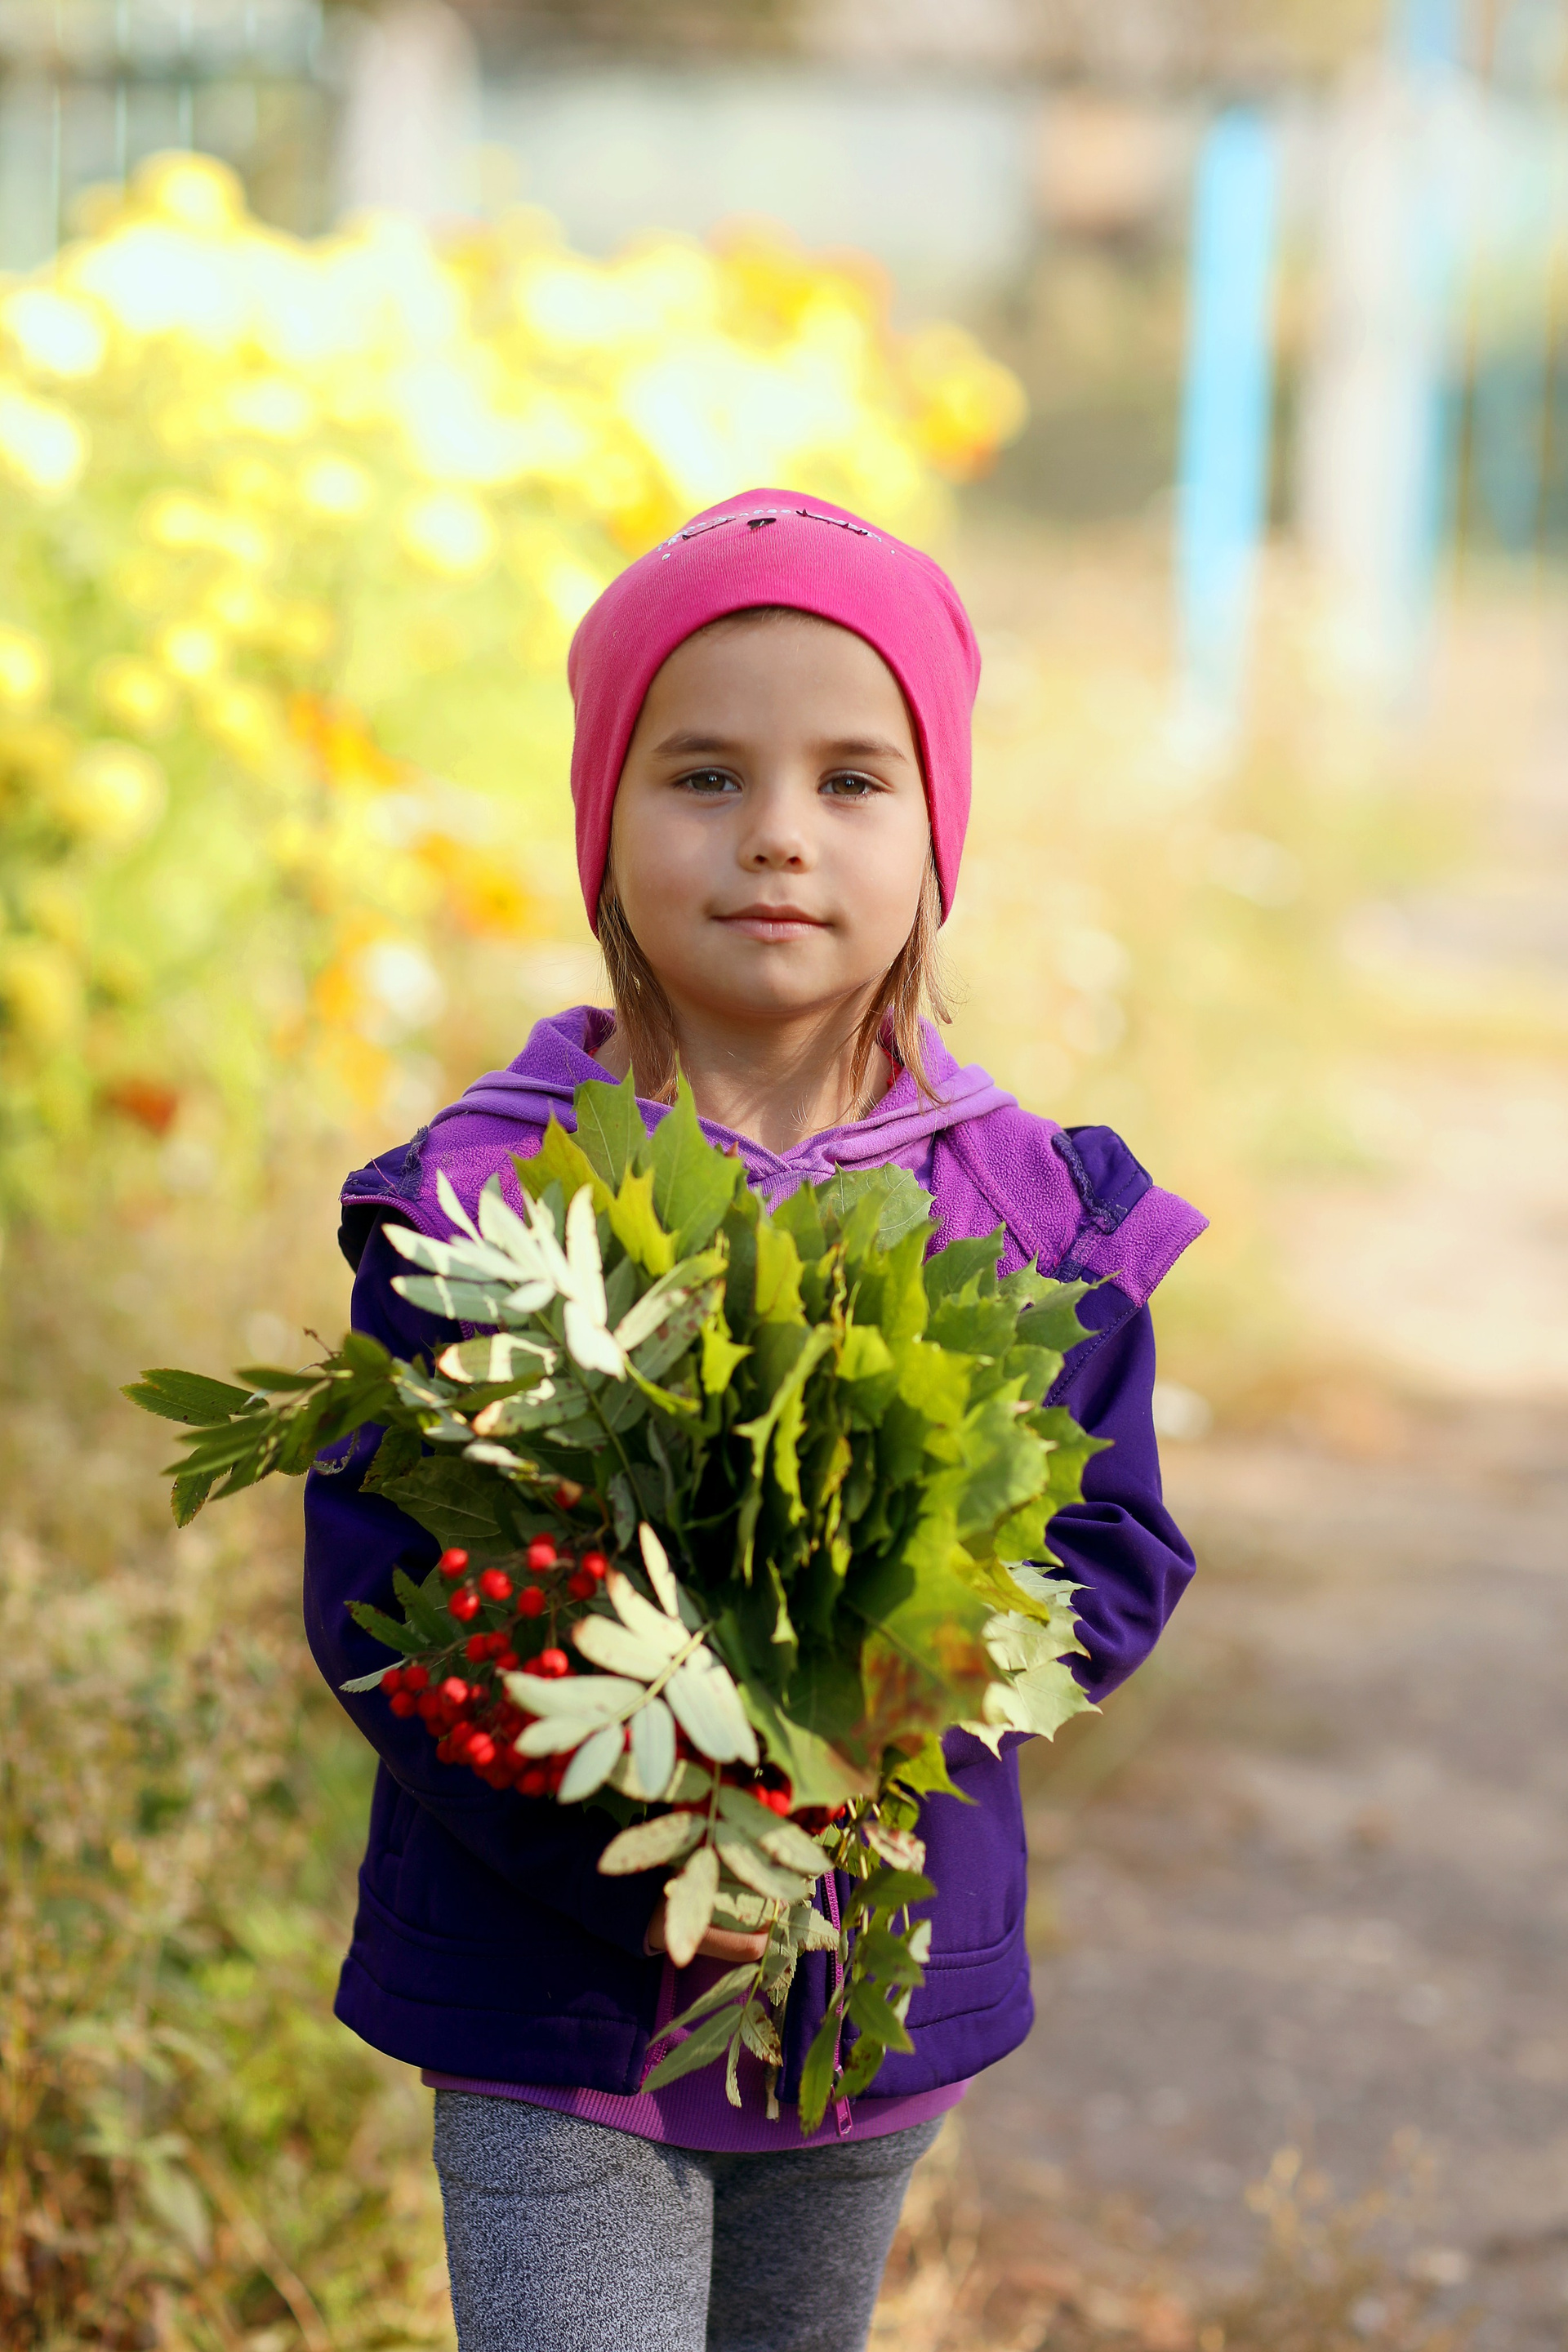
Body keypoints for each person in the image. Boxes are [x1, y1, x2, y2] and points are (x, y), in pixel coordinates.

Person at [303, 489, 1206, 2352]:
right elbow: (388, 1601)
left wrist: (855, 1728)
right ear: (603, 828)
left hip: (859, 1984)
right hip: (557, 2004)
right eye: (704, 776)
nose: (778, 834)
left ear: (937, 832)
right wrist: (636, 1846)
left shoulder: (1027, 1215)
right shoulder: (485, 1202)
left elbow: (1109, 1546)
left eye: (852, 780)